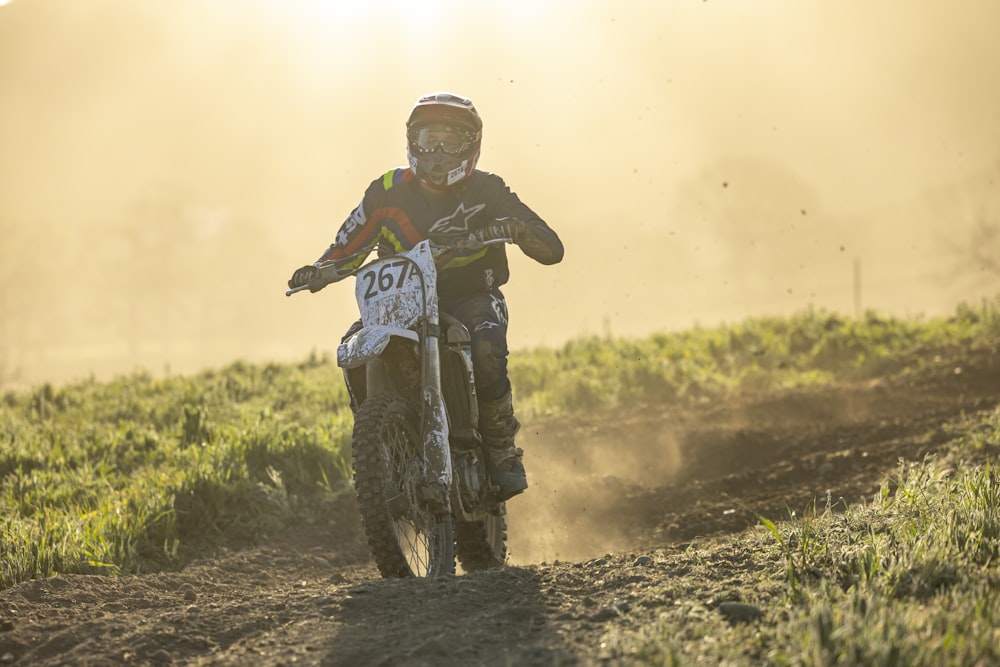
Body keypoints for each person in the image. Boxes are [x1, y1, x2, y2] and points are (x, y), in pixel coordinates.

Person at [288, 92, 563, 501]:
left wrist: (518, 230)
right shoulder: (387, 190)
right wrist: (319, 270)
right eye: (428, 139)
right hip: (402, 301)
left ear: (471, 145)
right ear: (411, 141)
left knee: (487, 345)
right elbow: (348, 244)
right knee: (356, 347)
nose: (437, 152)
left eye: (449, 141)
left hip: (470, 297)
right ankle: (379, 443)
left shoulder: (488, 190)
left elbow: (551, 248)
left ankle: (502, 447)